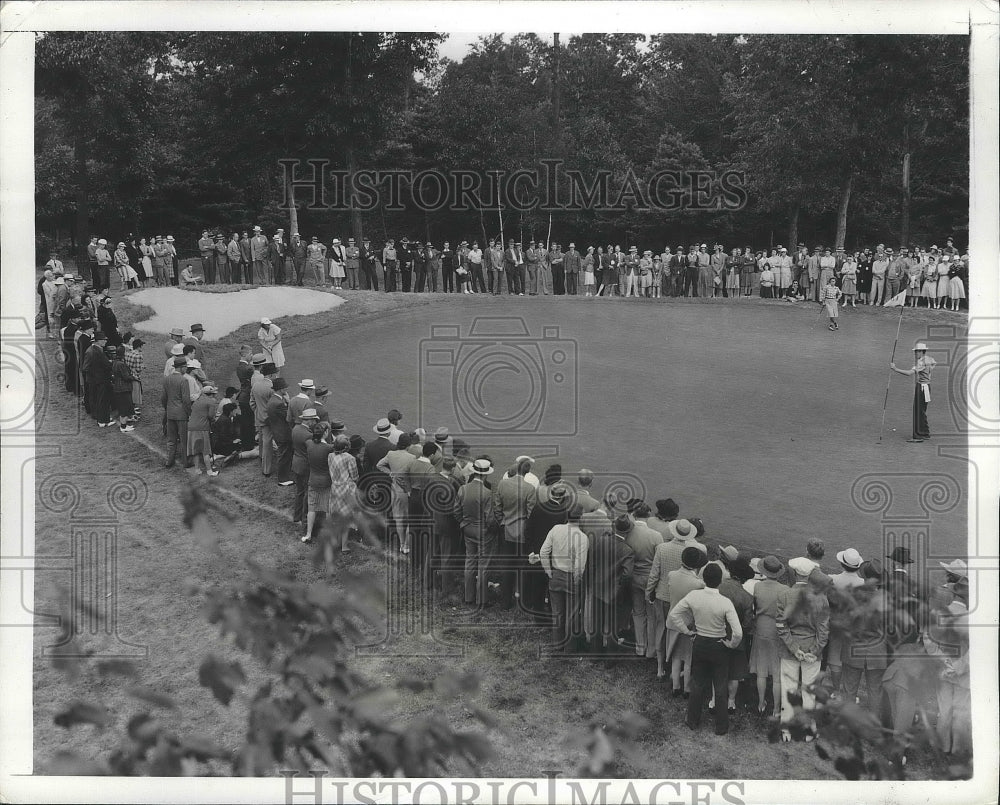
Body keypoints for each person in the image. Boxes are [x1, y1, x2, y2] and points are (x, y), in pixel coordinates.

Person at [668, 563, 742, 735]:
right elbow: (737, 632)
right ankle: (721, 726)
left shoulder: (695, 596)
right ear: (720, 581)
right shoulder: (725, 602)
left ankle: (692, 720)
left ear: (703, 578)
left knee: (698, 683)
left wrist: (686, 631)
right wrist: (731, 644)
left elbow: (674, 614)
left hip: (700, 642)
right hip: (718, 645)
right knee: (721, 685)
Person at [775, 556, 830, 736]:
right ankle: (808, 730)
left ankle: (786, 730)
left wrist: (794, 649)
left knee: (788, 690)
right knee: (809, 692)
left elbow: (781, 626)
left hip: (792, 650)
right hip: (811, 650)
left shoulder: (785, 595)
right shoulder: (820, 598)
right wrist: (814, 651)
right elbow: (824, 630)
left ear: (795, 572)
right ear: (810, 574)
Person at [538, 501, 589, 651]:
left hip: (556, 574)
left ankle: (557, 643)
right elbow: (580, 565)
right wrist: (577, 580)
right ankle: (569, 647)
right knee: (572, 615)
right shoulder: (582, 537)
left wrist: (548, 571)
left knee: (557, 612)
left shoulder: (556, 529)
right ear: (580, 518)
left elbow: (543, 552)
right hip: (571, 576)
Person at [493, 456, 538, 608]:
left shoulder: (503, 484)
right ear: (527, 473)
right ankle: (523, 601)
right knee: (523, 568)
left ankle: (505, 602)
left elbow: (497, 508)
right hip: (522, 533)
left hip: (507, 530)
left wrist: (502, 522)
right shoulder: (529, 488)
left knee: (507, 568)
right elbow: (531, 514)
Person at [455, 457, 497, 607]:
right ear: (485, 474)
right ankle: (482, 600)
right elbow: (490, 518)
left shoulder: (463, 488)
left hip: (467, 528)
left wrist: (463, 522)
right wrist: (492, 530)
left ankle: (469, 597)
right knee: (483, 566)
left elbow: (456, 510)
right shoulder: (486, 493)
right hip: (482, 531)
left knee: (470, 561)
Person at [890, 341, 937, 442]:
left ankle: (918, 436)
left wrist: (895, 369)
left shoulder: (920, 362)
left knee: (917, 411)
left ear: (921, 351)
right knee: (922, 411)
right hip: (928, 387)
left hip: (921, 388)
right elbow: (934, 364)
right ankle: (925, 433)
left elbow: (909, 373)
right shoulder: (929, 359)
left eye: (916, 351)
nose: (915, 353)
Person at [303, 421, 336, 543]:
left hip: (313, 480)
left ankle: (308, 534)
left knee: (312, 508)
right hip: (326, 482)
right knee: (328, 509)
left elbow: (309, 441)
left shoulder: (308, 444)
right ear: (326, 433)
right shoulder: (329, 448)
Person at [327, 434, 359, 553]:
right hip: (346, 489)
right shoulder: (350, 458)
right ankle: (344, 546)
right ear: (346, 447)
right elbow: (355, 476)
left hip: (335, 488)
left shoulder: (330, 455)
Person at [161, 356, 193, 468]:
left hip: (170, 412)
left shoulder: (167, 379)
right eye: (185, 367)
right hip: (181, 414)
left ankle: (169, 461)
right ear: (182, 367)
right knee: (184, 439)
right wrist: (189, 413)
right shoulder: (184, 380)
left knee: (171, 439)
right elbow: (186, 400)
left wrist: (167, 408)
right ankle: (186, 461)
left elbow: (163, 398)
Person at [109, 346, 137, 433]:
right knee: (125, 408)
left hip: (118, 387)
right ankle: (123, 427)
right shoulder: (121, 364)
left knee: (122, 407)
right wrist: (134, 377)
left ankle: (124, 425)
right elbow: (126, 377)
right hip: (123, 389)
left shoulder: (115, 362)